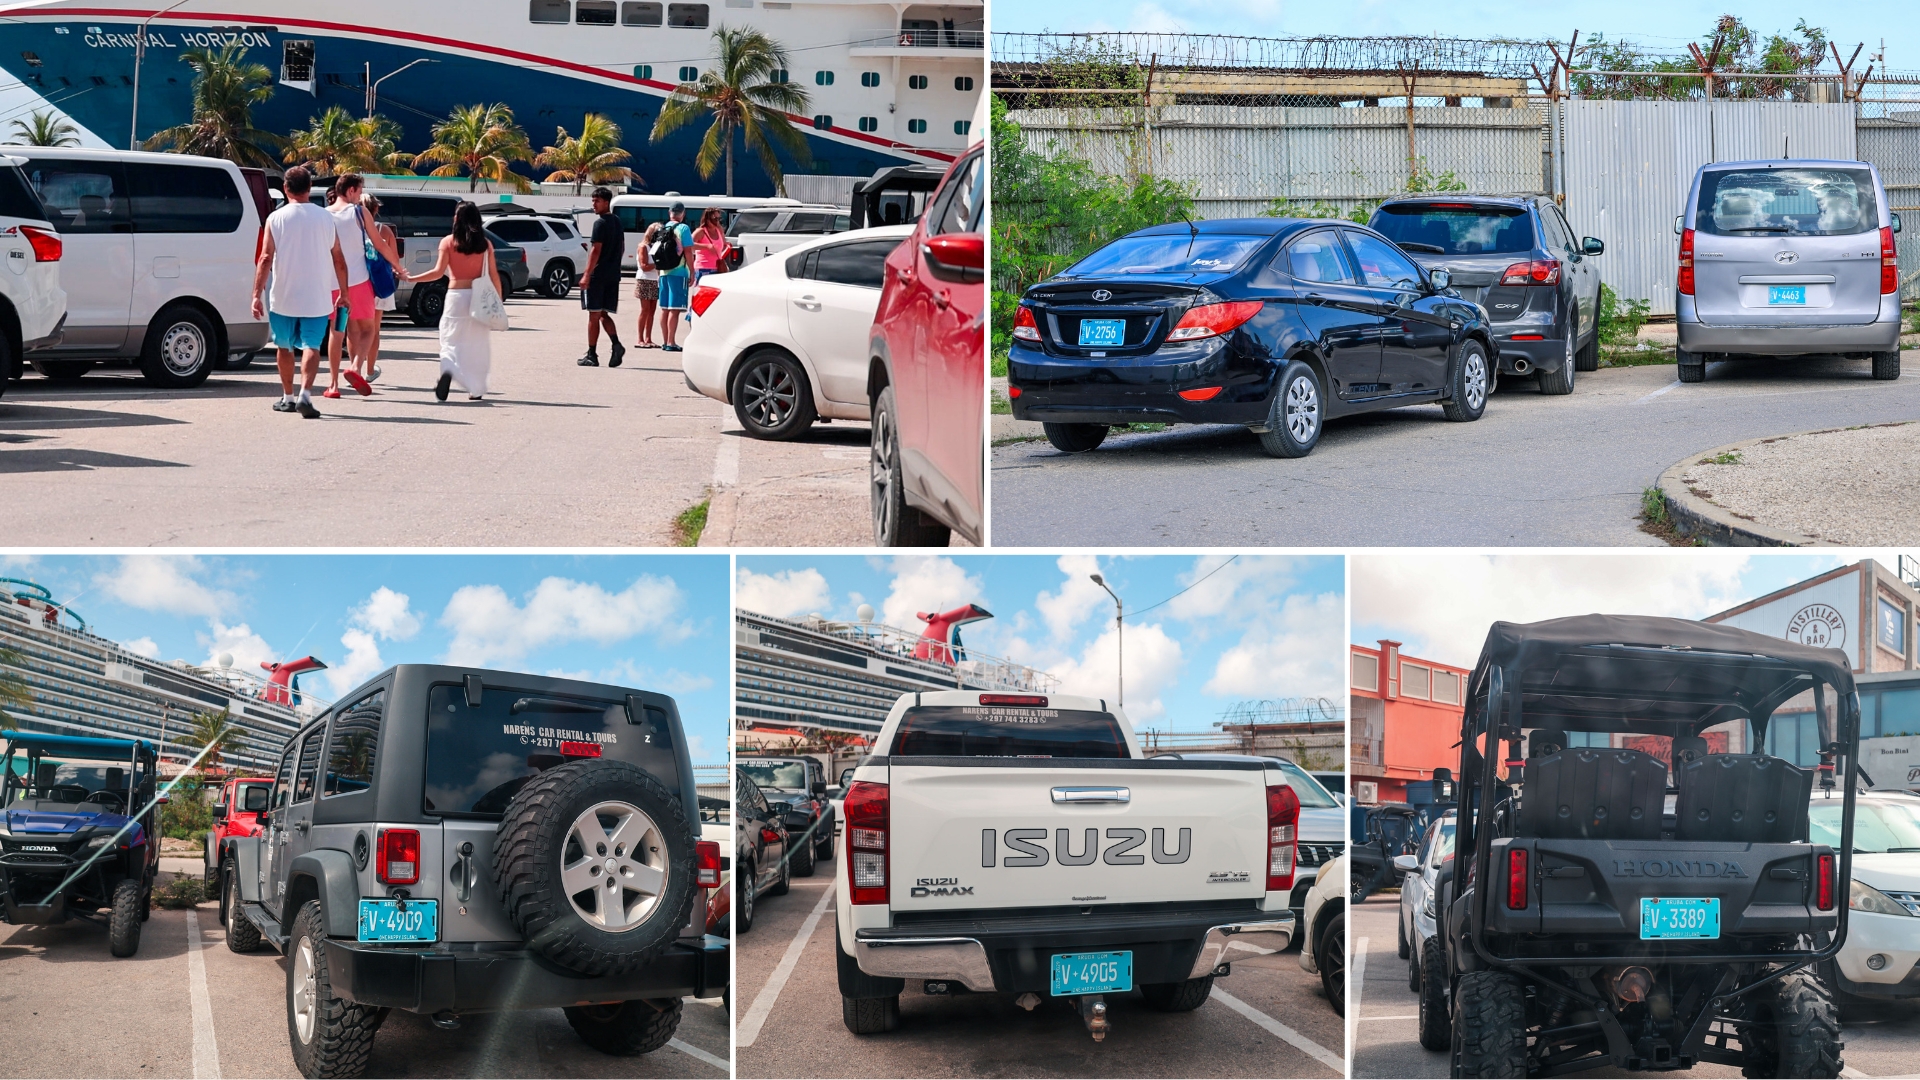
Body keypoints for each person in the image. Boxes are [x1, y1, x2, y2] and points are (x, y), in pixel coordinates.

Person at [252, 166, 349, 419]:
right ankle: (306, 395)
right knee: (311, 345)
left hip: (283, 296)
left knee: (284, 347)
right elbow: (338, 258)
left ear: (286, 188)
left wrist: (256, 294)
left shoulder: (275, 218)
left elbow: (264, 258)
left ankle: (288, 397)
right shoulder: (326, 218)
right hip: (317, 296)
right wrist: (344, 292)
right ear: (309, 188)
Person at [323, 174, 408, 398]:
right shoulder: (360, 213)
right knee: (368, 328)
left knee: (338, 330)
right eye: (359, 191)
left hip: (334, 285)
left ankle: (332, 385)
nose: (360, 196)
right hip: (359, 284)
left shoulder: (323, 215)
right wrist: (397, 267)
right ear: (350, 190)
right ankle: (355, 366)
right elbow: (379, 244)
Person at [418, 202, 503, 402]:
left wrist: (412, 278)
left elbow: (438, 273)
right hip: (478, 297)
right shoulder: (485, 245)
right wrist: (498, 301)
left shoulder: (448, 242)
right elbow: (493, 275)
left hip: (456, 296)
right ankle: (475, 389)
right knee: (477, 344)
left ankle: (448, 368)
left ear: (457, 219)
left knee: (449, 339)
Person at [576, 186, 626, 368]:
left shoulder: (600, 224)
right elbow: (621, 247)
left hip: (598, 276)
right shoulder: (618, 221)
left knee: (594, 314)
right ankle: (616, 344)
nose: (594, 204)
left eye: (597, 201)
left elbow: (596, 250)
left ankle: (592, 353)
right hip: (613, 275)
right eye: (593, 200)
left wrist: (587, 274)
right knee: (603, 313)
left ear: (606, 202)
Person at [362, 194, 398, 381]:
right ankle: (369, 370)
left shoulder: (355, 230)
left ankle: (356, 368)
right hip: (380, 283)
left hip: (360, 282)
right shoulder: (384, 231)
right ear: (376, 209)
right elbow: (394, 259)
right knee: (374, 330)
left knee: (355, 329)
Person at [656, 202, 694, 353]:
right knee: (675, 309)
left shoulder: (662, 228)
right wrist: (692, 271)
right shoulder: (683, 228)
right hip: (678, 273)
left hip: (664, 273)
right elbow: (688, 252)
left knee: (664, 308)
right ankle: (671, 341)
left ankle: (665, 341)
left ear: (669, 213)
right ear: (683, 214)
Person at [634, 221, 661, 348]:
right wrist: (658, 264)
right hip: (644, 280)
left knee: (652, 311)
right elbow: (644, 266)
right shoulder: (643, 247)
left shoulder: (656, 247)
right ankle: (640, 339)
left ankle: (648, 338)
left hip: (655, 280)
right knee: (644, 310)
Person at [690, 207, 728, 284]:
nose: (717, 221)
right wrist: (706, 246)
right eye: (714, 219)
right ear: (707, 219)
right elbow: (689, 245)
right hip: (703, 268)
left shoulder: (718, 230)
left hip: (718, 268)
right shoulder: (701, 231)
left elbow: (724, 243)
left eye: (718, 218)